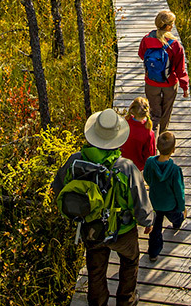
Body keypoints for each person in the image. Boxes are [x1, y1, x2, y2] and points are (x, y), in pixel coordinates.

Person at [52, 109, 154, 306]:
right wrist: (147, 221)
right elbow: (139, 201)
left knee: (96, 269)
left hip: (91, 228)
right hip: (123, 231)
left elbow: (58, 189)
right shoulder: (126, 167)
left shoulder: (75, 161)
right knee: (130, 260)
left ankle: (98, 302)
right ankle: (126, 300)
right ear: (117, 138)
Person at [138, 10, 189, 133]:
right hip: (169, 84)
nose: (173, 26)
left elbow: (141, 55)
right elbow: (180, 69)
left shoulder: (146, 39)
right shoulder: (175, 45)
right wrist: (185, 87)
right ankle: (163, 137)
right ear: (167, 27)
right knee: (166, 112)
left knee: (154, 113)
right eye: (172, 24)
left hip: (151, 82)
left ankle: (152, 138)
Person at [142, 131, 186, 262]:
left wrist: (152, 184)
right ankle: (177, 223)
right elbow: (179, 191)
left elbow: (146, 176)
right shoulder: (175, 170)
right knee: (176, 216)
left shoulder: (150, 162)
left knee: (156, 230)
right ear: (173, 150)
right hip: (170, 204)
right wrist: (182, 207)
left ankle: (153, 253)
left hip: (155, 202)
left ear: (157, 147)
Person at [120, 97, 155, 171]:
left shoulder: (124, 123)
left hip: (121, 162)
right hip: (137, 167)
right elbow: (150, 154)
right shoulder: (148, 133)